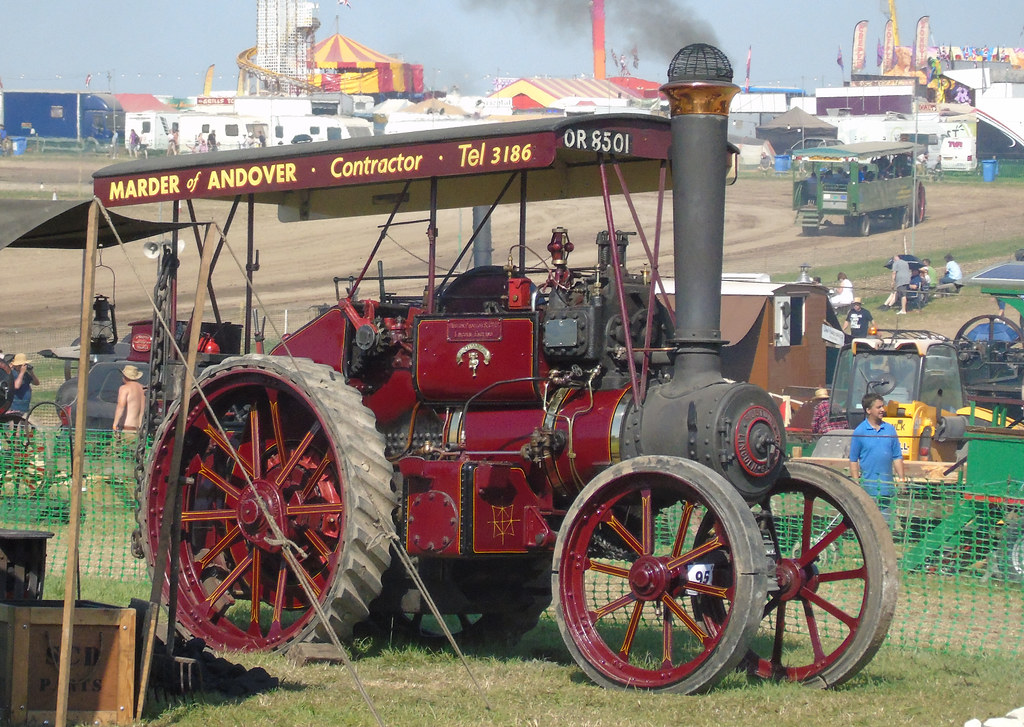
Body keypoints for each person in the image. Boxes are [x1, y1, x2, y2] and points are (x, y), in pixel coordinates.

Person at [848, 393, 905, 524]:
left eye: (882, 406)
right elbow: (853, 459)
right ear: (868, 410)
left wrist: (901, 479)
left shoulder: (890, 430)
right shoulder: (860, 431)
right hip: (868, 489)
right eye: (878, 407)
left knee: (885, 525)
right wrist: (856, 483)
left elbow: (897, 456)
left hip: (887, 488)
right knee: (869, 525)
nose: (882, 410)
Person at [112, 364, 146, 442]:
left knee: (122, 453)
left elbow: (121, 406)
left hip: (127, 429)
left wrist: (115, 424)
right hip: (140, 430)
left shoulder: (124, 388)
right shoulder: (143, 389)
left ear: (125, 377)